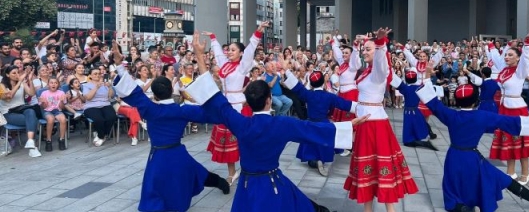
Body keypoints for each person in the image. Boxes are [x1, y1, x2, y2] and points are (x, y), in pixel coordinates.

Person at [184, 32, 369, 212]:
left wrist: (199, 55)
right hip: (271, 181)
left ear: (248, 101)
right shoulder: (280, 124)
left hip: (247, 186)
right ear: (269, 100)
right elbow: (311, 128)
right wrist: (349, 125)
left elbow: (213, 96)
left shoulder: (238, 122)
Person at [109, 41, 230, 212]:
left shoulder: (150, 109)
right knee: (195, 172)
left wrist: (119, 65)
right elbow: (209, 113)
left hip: (159, 154)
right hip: (177, 152)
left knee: (155, 185)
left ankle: (161, 205)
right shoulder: (182, 110)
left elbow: (132, 92)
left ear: (155, 94)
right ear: (170, 89)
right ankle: (220, 182)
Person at [415, 75, 529, 212]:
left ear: (457, 100)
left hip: (454, 156)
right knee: (500, 178)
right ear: (476, 101)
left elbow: (434, 104)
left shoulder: (451, 115)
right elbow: (508, 121)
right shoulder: (482, 116)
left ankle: (459, 206)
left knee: (453, 184)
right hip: (472, 157)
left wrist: (426, 77)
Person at [344, 28, 418, 212]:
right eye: (364, 49)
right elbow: (353, 63)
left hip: (375, 124)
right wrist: (356, 45)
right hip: (364, 121)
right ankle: (368, 209)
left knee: (380, 165)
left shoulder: (378, 73)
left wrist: (380, 42)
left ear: (376, 51)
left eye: (368, 49)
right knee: (367, 167)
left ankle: (390, 210)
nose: (364, 52)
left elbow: (382, 64)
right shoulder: (366, 71)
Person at [204, 21, 268, 185]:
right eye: (229, 50)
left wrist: (258, 33)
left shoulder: (242, 66)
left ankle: (249, 167)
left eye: (233, 50)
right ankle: (232, 173)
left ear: (240, 53)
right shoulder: (225, 65)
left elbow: (250, 50)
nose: (229, 52)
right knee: (227, 142)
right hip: (225, 105)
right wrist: (213, 38)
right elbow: (218, 54)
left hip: (239, 106)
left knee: (242, 140)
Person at [487, 28, 529, 185]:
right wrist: (491, 47)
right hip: (504, 109)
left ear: (517, 58)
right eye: (506, 54)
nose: (506, 57)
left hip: (517, 109)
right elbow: (496, 57)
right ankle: (510, 172)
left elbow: (526, 57)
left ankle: (526, 172)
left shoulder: (520, 71)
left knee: (522, 141)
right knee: (508, 141)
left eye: (510, 55)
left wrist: (528, 42)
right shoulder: (503, 70)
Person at [282, 69, 357, 176]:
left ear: (311, 83)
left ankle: (314, 161)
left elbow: (296, 87)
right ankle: (320, 159)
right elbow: (345, 104)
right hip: (324, 124)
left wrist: (287, 71)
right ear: (323, 82)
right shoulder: (329, 96)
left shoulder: (308, 94)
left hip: (311, 124)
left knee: (310, 147)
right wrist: (365, 106)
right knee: (325, 143)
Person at [389, 69, 438, 150]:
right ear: (415, 79)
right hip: (416, 110)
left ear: (406, 79)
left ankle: (423, 143)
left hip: (408, 111)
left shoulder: (405, 88)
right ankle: (425, 136)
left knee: (407, 137)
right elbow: (431, 89)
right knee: (419, 123)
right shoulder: (419, 87)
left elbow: (396, 81)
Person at [0, 65, 41, 157]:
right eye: (14, 73)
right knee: (32, 119)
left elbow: (32, 93)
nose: (17, 75)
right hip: (8, 113)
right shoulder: (2, 86)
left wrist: (30, 80)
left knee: (31, 112)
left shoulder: (22, 83)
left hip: (21, 109)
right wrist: (19, 82)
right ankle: (33, 147)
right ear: (7, 75)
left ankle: (30, 141)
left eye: (18, 72)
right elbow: (9, 97)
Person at [82, 67, 117, 147]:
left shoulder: (104, 84)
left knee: (111, 117)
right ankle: (102, 136)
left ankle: (101, 136)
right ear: (90, 75)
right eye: (95, 74)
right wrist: (96, 88)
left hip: (105, 104)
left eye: (99, 73)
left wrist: (110, 87)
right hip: (91, 106)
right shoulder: (86, 85)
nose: (97, 75)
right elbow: (88, 97)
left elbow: (110, 96)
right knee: (99, 119)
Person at [38, 77, 68, 151]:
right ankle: (48, 140)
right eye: (51, 83)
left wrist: (61, 101)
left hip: (57, 110)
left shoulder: (61, 93)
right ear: (48, 84)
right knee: (50, 119)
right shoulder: (44, 93)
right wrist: (43, 102)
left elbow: (62, 107)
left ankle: (61, 139)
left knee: (63, 119)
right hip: (47, 110)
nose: (53, 84)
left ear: (58, 85)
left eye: (55, 83)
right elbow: (43, 107)